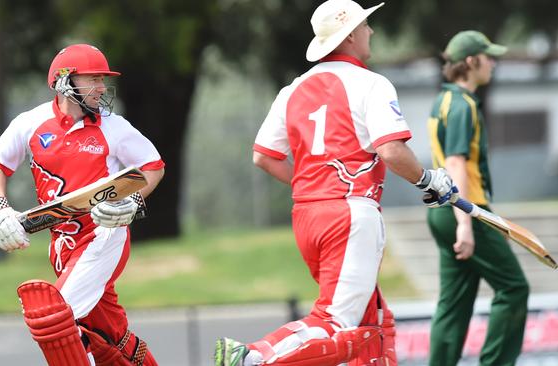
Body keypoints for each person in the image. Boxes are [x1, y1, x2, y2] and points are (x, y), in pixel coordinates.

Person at [214, 0, 458, 365]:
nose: (370, 31)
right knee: (335, 321)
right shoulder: (371, 84)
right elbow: (391, 151)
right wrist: (428, 180)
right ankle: (254, 357)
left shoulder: (293, 89)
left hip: (308, 216)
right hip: (350, 213)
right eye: (364, 25)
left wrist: (309, 187)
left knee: (373, 320)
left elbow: (264, 156)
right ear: (349, 36)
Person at [0, 43, 163, 366]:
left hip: (104, 234)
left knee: (54, 317)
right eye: (92, 79)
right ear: (65, 81)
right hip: (62, 243)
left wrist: (132, 202)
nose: (101, 88)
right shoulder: (31, 122)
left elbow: (153, 166)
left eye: (102, 80)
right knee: (109, 333)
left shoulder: (113, 126)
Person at [426, 31, 529, 366]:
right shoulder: (463, 105)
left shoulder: (441, 101)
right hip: (466, 209)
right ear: (471, 62)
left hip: (439, 210)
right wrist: (466, 223)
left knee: (453, 303)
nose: (493, 63)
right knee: (514, 288)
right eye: (488, 57)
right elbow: (456, 162)